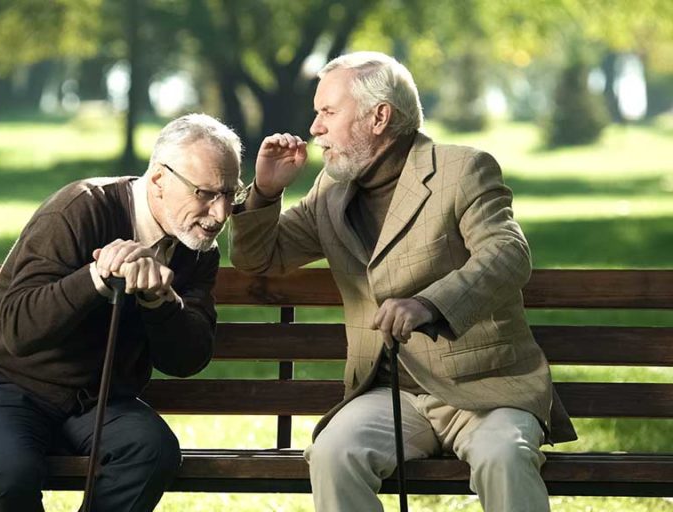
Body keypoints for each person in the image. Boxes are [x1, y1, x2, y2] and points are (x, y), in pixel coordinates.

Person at [229, 52, 576, 512]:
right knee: (333, 453)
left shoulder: (463, 170)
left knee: (503, 457)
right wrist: (266, 192)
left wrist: (429, 305)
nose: (314, 128)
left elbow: (507, 254)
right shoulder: (329, 193)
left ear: (379, 116)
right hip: (388, 396)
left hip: (486, 391)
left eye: (328, 112)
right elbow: (257, 259)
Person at [0, 113, 245, 512]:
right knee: (12, 475)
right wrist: (96, 278)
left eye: (230, 193)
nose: (220, 214)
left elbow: (187, 360)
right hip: (3, 386)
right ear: (159, 178)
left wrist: (160, 301)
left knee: (151, 450)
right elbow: (19, 330)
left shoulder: (198, 249)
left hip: (95, 402)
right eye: (205, 193)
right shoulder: (79, 209)